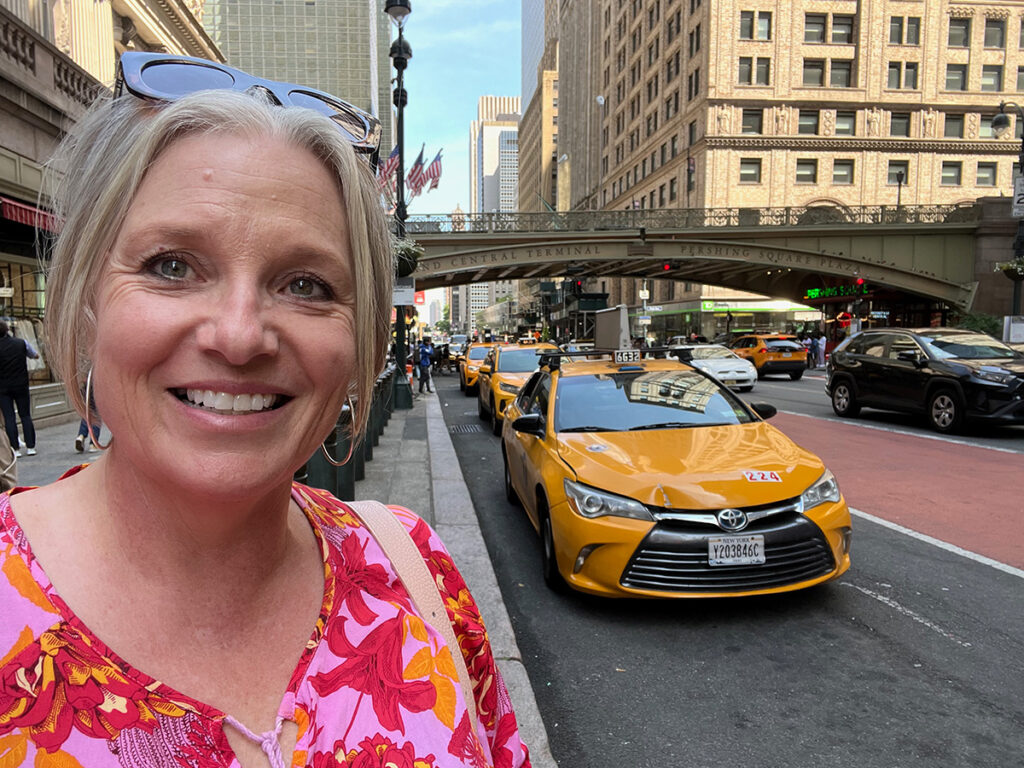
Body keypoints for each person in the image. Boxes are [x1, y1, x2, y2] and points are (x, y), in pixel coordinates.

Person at [0, 52, 530, 768]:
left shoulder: (416, 570)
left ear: (359, 344)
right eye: (172, 266)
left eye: (306, 284)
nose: (241, 334)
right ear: (87, 302)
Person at [0, 319, 40, 456]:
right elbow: (35, 355)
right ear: (7, 330)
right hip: (21, 385)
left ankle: (15, 449)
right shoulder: (21, 343)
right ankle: (31, 447)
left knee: (9, 417)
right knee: (25, 415)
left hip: (3, 388)